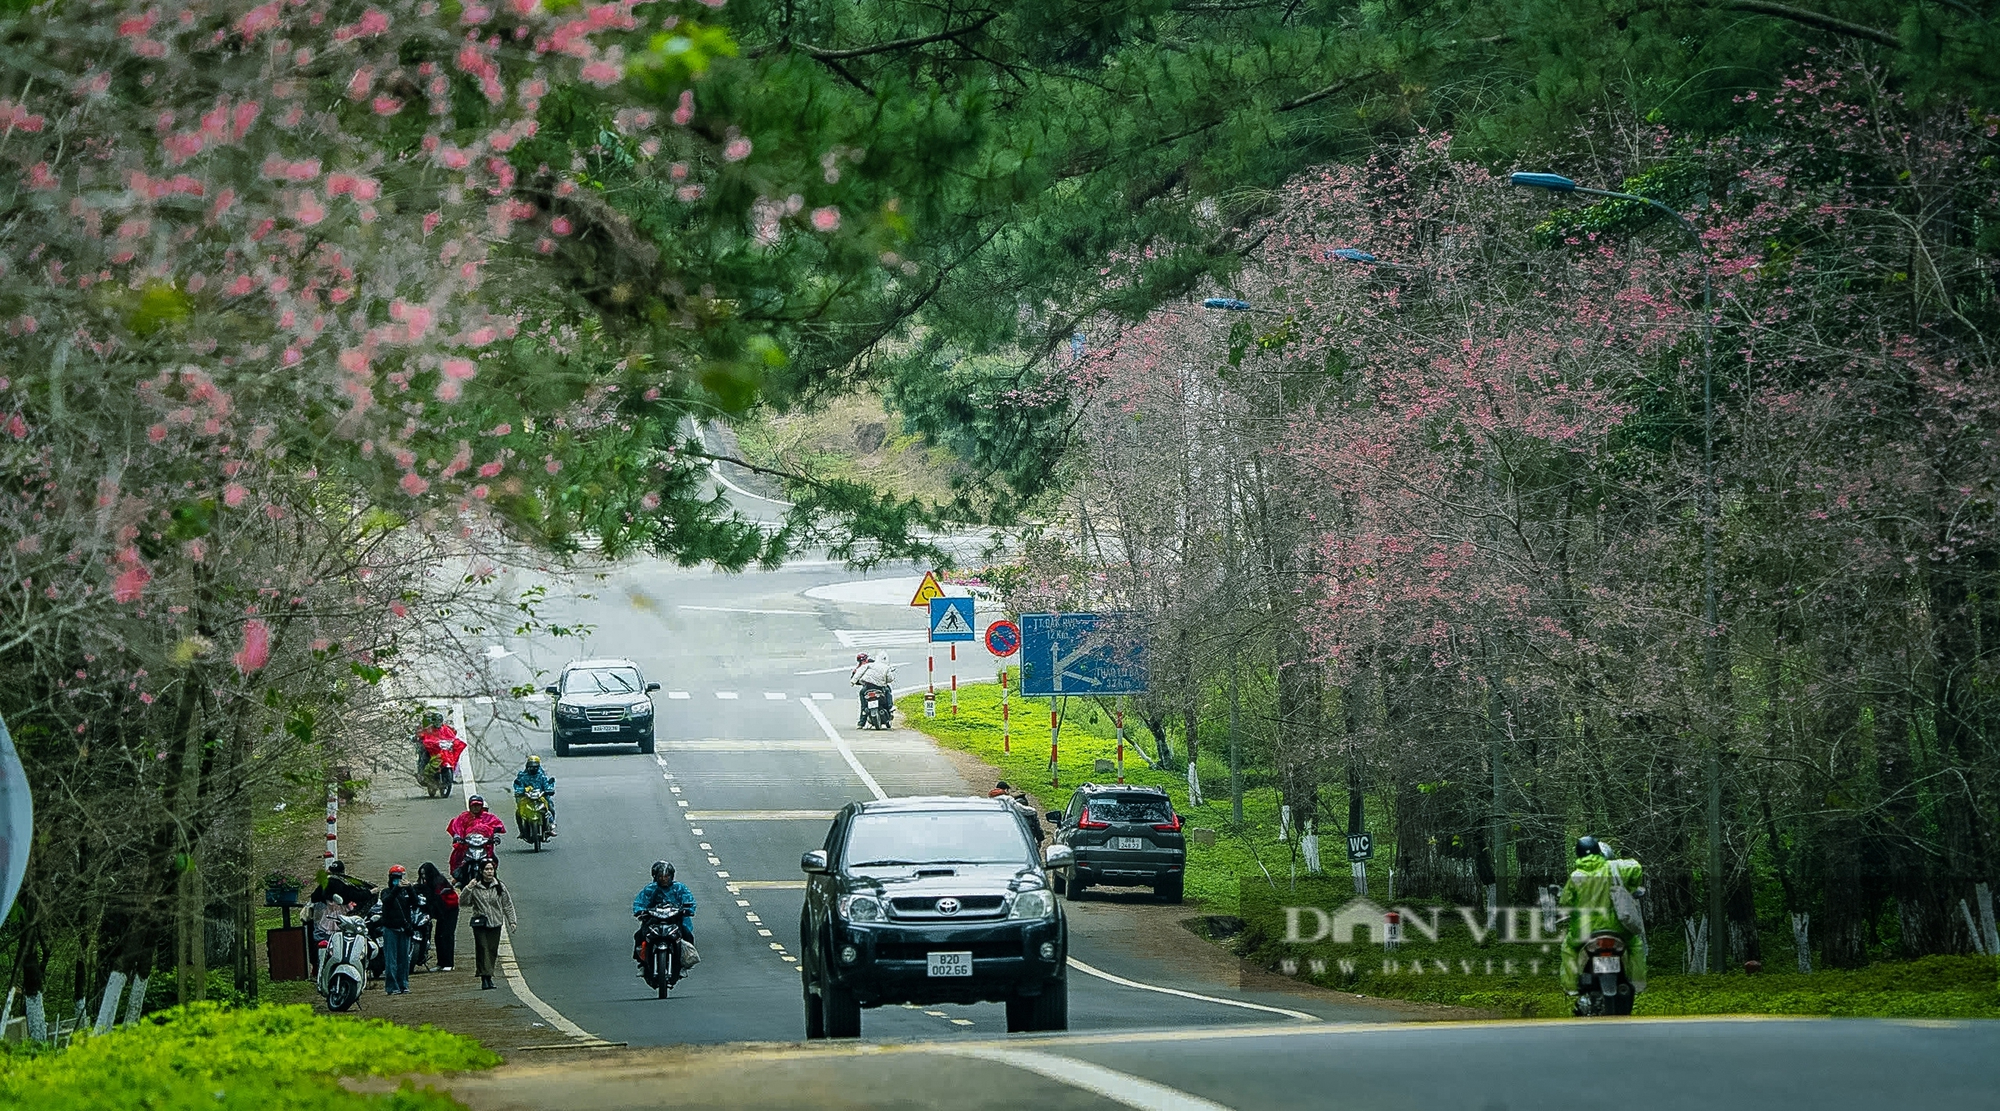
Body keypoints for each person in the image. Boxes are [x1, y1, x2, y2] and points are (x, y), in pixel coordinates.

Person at [1557, 835, 1648, 1005]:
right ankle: (1638, 983)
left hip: (1584, 932)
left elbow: (1565, 902)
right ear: (1599, 851)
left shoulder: (1576, 876)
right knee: (1635, 945)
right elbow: (1636, 868)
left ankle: (1571, 987)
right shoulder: (1614, 867)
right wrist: (1630, 887)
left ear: (1578, 854)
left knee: (1568, 948)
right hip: (1618, 929)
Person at [458, 858, 516, 990]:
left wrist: (512, 921)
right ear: (481, 871)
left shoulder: (499, 886)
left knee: (492, 950)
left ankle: (488, 976)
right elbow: (463, 902)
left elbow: (507, 905)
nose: (489, 872)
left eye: (491, 869)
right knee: (482, 948)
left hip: (495, 923)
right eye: (486, 869)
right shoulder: (475, 886)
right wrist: (468, 888)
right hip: (480, 923)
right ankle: (484, 977)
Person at [631, 860, 697, 967]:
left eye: (666, 876)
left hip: (675, 919)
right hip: (654, 919)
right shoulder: (650, 889)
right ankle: (642, 962)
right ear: (655, 877)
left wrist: (687, 909)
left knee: (687, 935)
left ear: (671, 876)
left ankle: (686, 960)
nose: (663, 879)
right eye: (660, 876)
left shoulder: (679, 888)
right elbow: (640, 902)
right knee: (639, 935)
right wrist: (640, 911)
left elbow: (689, 900)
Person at [377, 864, 423, 996]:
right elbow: (387, 901)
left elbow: (416, 903)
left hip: (404, 930)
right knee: (391, 960)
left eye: (400, 878)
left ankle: (403, 984)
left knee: (404, 960)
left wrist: (409, 889)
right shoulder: (386, 892)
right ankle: (392, 986)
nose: (398, 880)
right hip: (390, 929)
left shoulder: (406, 893)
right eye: (395, 878)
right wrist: (397, 889)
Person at [447, 795, 507, 882]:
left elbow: (496, 827)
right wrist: (457, 837)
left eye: (478, 805)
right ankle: (458, 878)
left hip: (484, 846)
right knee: (456, 859)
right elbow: (456, 828)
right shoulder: (463, 817)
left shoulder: (489, 817)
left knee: (494, 860)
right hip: (467, 846)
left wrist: (496, 837)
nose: (476, 808)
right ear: (470, 806)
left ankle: (495, 880)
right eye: (474, 805)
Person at [415, 861, 459, 973]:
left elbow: (438, 899)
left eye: (425, 874)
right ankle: (441, 963)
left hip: (450, 911)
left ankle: (449, 963)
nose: (424, 877)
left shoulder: (439, 882)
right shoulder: (429, 884)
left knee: (447, 936)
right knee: (438, 937)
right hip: (441, 912)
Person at [417, 710, 464, 793]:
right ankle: (422, 774)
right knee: (425, 758)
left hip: (442, 751)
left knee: (452, 757)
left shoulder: (445, 729)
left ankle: (452, 775)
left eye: (439, 721)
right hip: (431, 751)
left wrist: (453, 742)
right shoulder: (429, 729)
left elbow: (452, 736)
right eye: (436, 721)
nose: (437, 723)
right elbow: (422, 735)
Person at [511, 754, 558, 836]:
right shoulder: (522, 776)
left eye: (535, 767)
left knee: (550, 808)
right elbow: (518, 785)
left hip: (541, 798)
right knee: (518, 812)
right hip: (527, 798)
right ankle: (522, 831)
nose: (533, 769)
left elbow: (547, 785)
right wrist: (520, 791)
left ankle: (550, 826)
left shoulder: (542, 776)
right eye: (531, 767)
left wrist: (549, 790)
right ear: (527, 766)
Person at [849, 652, 894, 726]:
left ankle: (862, 722)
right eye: (861, 661)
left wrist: (853, 682)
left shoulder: (871, 663)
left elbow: (856, 677)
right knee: (864, 704)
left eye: (864, 659)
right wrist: (854, 681)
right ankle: (890, 707)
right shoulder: (863, 667)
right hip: (874, 686)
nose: (863, 661)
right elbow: (855, 676)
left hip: (869, 686)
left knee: (887, 690)